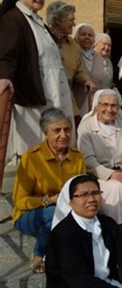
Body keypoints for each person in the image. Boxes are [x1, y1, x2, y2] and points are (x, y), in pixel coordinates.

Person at [0, 0, 74, 157]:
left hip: (54, 88)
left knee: (58, 137)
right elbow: (6, 53)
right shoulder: (13, 19)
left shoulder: (38, 21)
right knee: (37, 142)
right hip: (36, 89)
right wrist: (4, 77)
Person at [12, 107, 85, 273]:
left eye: (67, 130)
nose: (63, 135)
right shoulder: (31, 158)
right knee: (54, 214)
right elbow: (20, 201)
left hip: (67, 211)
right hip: (30, 215)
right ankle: (41, 254)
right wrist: (49, 201)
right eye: (56, 131)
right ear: (46, 132)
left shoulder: (77, 157)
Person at [77, 89, 122, 257]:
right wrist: (112, 175)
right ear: (98, 106)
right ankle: (112, 238)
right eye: (105, 104)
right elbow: (88, 160)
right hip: (99, 175)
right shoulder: (86, 126)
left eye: (114, 105)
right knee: (115, 189)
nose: (109, 109)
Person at [46, 1, 96, 120]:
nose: (74, 24)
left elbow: (80, 68)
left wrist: (87, 80)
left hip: (69, 103)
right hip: (47, 101)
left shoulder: (73, 45)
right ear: (58, 20)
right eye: (71, 20)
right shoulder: (43, 39)